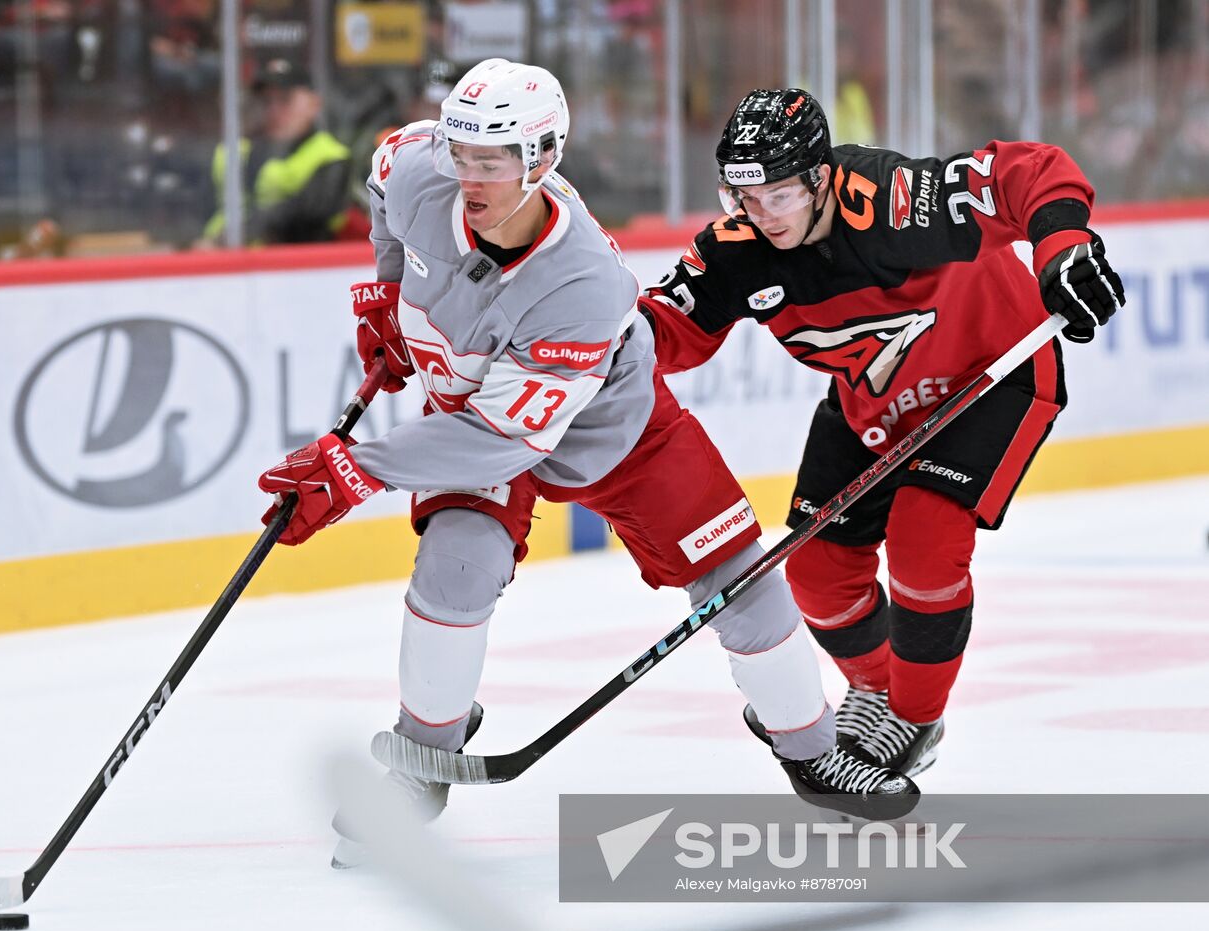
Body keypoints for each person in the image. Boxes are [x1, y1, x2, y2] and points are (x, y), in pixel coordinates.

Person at [254, 61, 919, 867]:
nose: (471, 174)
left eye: (494, 159)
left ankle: (812, 752)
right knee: (455, 572)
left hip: (616, 428)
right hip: (478, 409)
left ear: (542, 158)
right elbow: (384, 184)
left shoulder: (584, 285)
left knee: (741, 581)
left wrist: (357, 467)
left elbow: (508, 442)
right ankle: (421, 761)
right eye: (463, 152)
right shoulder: (420, 164)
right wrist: (389, 296)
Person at [640, 89, 1124, 778]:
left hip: (991, 373)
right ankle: (876, 691)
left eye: (778, 196)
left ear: (820, 178)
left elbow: (1031, 171)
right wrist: (573, 354)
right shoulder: (738, 250)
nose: (759, 216)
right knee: (814, 570)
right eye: (742, 198)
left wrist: (1063, 251)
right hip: (873, 401)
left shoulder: (895, 200)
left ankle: (917, 718)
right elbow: (661, 331)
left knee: (926, 543)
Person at [202, 59, 351, 246]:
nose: (273, 110)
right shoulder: (236, 150)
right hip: (217, 260)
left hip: (293, 266)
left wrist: (243, 230)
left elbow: (308, 215)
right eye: (266, 100)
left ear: (314, 104)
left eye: (285, 99)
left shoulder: (331, 156)